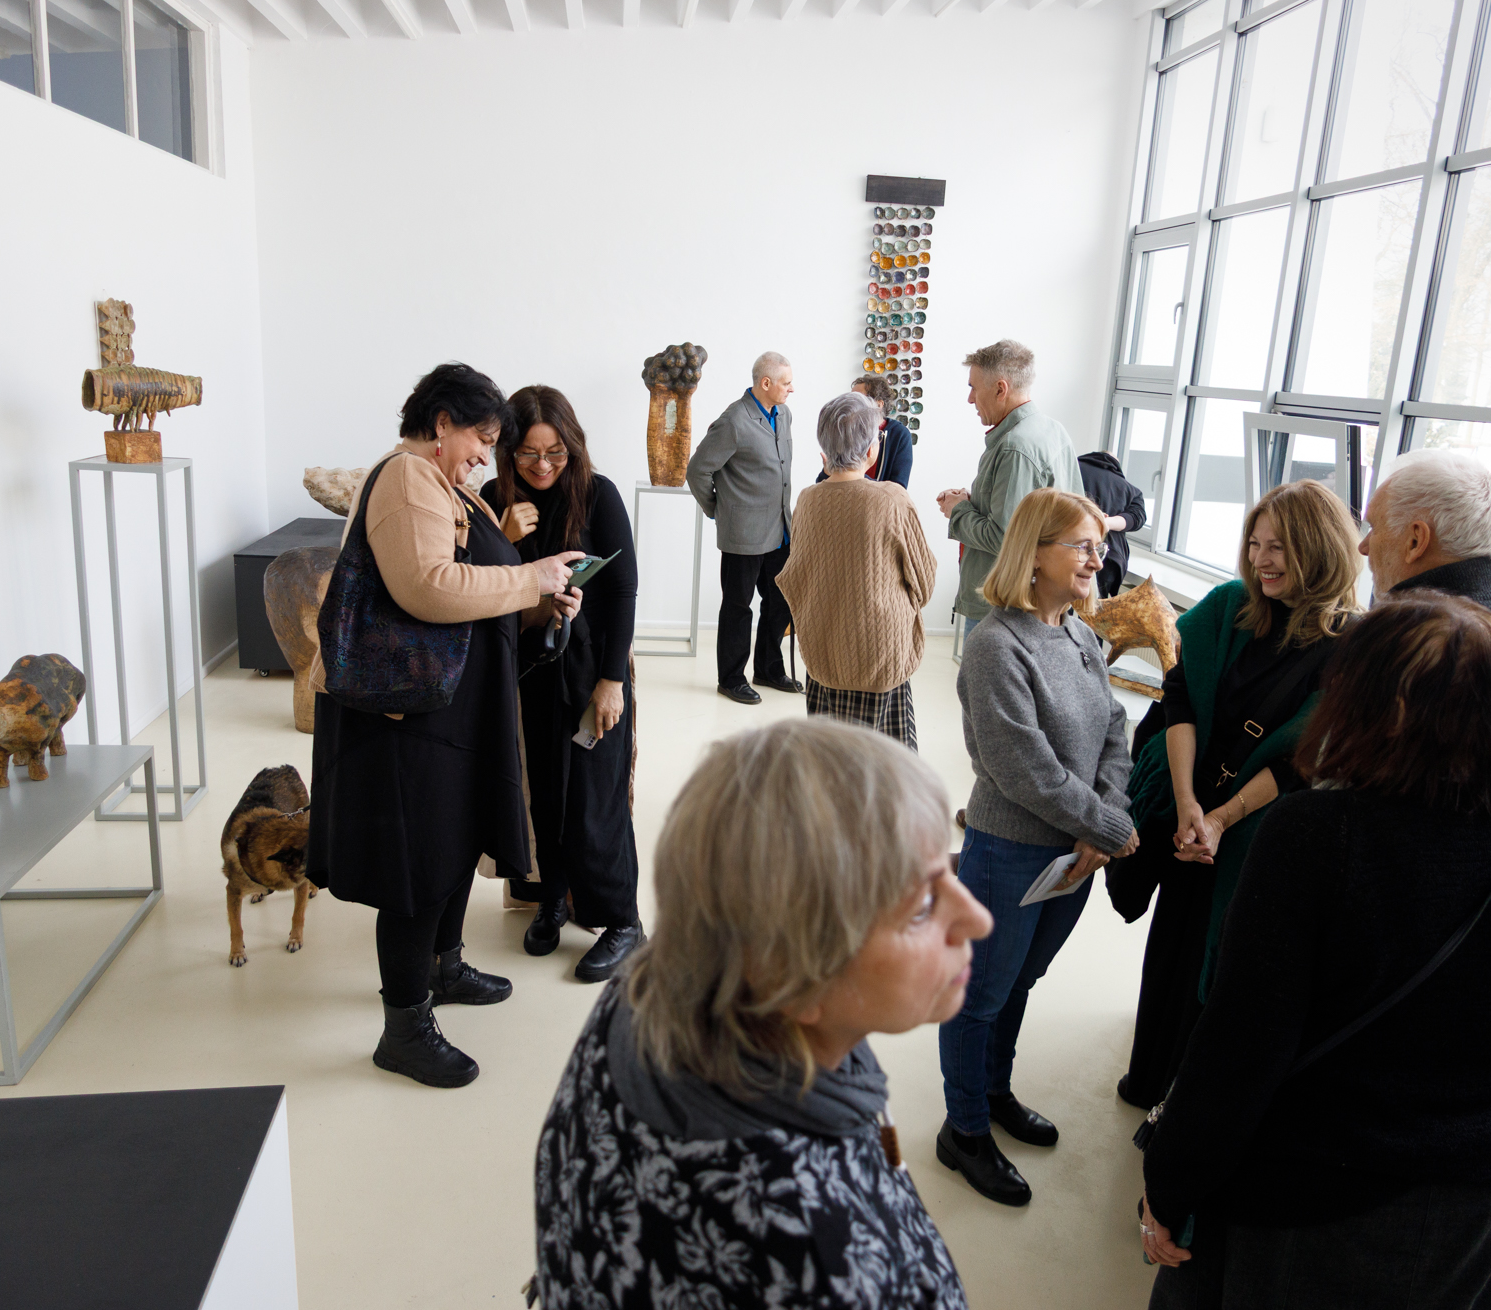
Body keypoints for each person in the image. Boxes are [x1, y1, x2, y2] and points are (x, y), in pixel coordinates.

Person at [1139, 593, 1491, 1310]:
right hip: (1481, 1204)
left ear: (1383, 707)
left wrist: (1170, 1183)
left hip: (1316, 1195)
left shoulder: (1314, 835)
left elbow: (1241, 1044)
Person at [531, 718, 990, 1309]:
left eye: (947, 870)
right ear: (789, 974)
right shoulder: (822, 1268)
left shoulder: (655, 983)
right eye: (922, 905)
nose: (977, 918)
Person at [307, 362, 584, 1089]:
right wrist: (530, 578)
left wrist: (542, 602)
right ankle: (404, 1029)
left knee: (452, 843)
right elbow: (426, 587)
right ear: (440, 423)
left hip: (446, 709)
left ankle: (444, 966)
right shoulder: (407, 478)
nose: (485, 458)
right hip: (409, 719)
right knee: (418, 865)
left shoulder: (446, 487)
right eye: (481, 440)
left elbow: (475, 595)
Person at [1112, 479, 1362, 1111]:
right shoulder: (1229, 606)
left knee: (1221, 960)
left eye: (1278, 547)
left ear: (1318, 548)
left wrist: (1221, 818)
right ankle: (1149, 1080)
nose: (1261, 560)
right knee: (1172, 944)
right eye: (1255, 544)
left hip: (1254, 834)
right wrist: (1188, 804)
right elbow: (1179, 700)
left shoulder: (1348, 647)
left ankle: (1182, 1101)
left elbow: (1301, 761)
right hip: (1187, 810)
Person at [939, 487, 1137, 1207]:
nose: (1097, 558)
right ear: (1034, 552)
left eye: (1099, 546)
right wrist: (1106, 826)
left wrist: (1102, 818)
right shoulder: (997, 645)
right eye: (1081, 546)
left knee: (1019, 982)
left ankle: (994, 1092)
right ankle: (963, 1131)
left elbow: (1114, 729)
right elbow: (1024, 769)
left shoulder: (1080, 635)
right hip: (1011, 849)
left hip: (1073, 852)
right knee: (980, 995)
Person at [487, 385, 645, 982]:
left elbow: (623, 590)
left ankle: (623, 921)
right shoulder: (495, 501)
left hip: (591, 669)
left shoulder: (598, 494)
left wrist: (612, 682)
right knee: (544, 795)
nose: (542, 465)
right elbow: (476, 588)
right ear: (508, 451)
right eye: (528, 453)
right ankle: (551, 897)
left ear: (572, 447)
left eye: (555, 452)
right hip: (528, 671)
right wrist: (502, 538)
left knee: (595, 799)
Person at [1360, 448, 1491, 828]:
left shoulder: (1413, 643)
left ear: (1415, 540)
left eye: (1374, 528)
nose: (1363, 546)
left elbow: (1353, 801)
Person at [776, 393, 938, 748]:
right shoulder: (892, 499)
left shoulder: (807, 500)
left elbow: (795, 577)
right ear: (871, 452)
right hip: (880, 654)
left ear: (824, 452)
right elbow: (924, 581)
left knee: (829, 760)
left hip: (823, 652)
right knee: (884, 763)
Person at [937, 340, 1083, 629]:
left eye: (973, 388)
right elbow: (1032, 517)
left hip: (1003, 609)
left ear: (1000, 389)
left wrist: (958, 510)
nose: (970, 399)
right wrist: (972, 500)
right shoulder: (1052, 430)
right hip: (1034, 605)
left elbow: (1005, 539)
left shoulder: (1015, 447)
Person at [687, 351, 798, 705]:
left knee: (780, 601)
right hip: (744, 535)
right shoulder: (734, 421)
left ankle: (768, 669)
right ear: (765, 383)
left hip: (780, 530)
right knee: (738, 607)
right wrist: (718, 510)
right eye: (786, 383)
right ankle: (731, 679)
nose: (791, 388)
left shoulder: (784, 414)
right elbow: (697, 470)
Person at [814, 374, 914, 487]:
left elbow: (898, 488)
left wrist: (851, 477)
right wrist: (827, 472)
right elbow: (823, 483)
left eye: (859, 398)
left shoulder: (900, 434)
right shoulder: (847, 428)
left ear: (879, 405)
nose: (852, 403)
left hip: (878, 498)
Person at [1078, 450, 1147, 600]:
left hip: (1072, 548)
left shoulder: (1074, 469)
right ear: (1116, 465)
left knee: (1065, 604)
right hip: (1108, 556)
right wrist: (1106, 523)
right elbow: (1137, 518)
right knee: (1094, 607)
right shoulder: (1130, 489)